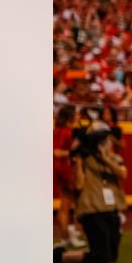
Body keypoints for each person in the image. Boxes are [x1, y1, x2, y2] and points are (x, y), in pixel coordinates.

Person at [72, 129, 127, 263]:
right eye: (102, 141)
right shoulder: (85, 160)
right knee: (101, 258)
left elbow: (123, 174)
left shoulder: (115, 159)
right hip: (92, 210)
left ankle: (89, 252)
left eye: (107, 140)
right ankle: (60, 256)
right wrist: (79, 160)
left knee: (112, 256)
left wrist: (104, 159)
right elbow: (79, 185)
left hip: (111, 209)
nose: (105, 144)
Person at [53, 105, 84, 248]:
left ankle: (65, 236)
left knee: (65, 204)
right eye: (76, 114)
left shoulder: (57, 131)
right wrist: (76, 153)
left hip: (59, 168)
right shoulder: (66, 131)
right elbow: (58, 152)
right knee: (78, 203)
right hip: (67, 168)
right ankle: (75, 232)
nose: (78, 116)